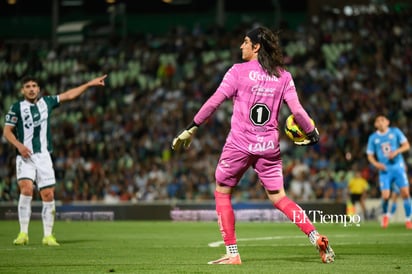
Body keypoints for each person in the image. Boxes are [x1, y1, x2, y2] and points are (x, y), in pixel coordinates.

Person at [171, 26, 335, 264]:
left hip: (239, 145)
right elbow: (297, 111)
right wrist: (312, 133)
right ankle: (315, 236)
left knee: (222, 191)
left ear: (256, 47)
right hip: (268, 147)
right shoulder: (284, 76)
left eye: (245, 42)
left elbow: (214, 101)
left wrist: (191, 127)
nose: (242, 46)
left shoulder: (237, 72)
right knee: (280, 197)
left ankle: (232, 254)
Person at [3, 74, 107, 246]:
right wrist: (18, 145)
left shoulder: (47, 102)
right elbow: (7, 131)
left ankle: (48, 236)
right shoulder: (16, 107)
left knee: (48, 194)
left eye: (34, 85)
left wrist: (89, 83)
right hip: (25, 156)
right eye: (27, 86)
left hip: (43, 156)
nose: (31, 89)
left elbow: (69, 95)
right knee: (27, 189)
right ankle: (23, 233)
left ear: (38, 89)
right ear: (22, 90)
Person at [366, 114, 412, 229]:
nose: (380, 122)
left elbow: (406, 146)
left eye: (382, 120)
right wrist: (376, 164)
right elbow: (370, 155)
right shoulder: (373, 138)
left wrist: (396, 152)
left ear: (387, 122)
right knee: (386, 196)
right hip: (385, 169)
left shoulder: (395, 132)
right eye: (378, 120)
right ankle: (386, 216)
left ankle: (408, 219)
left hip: (398, 167)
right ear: (375, 124)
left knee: (405, 193)